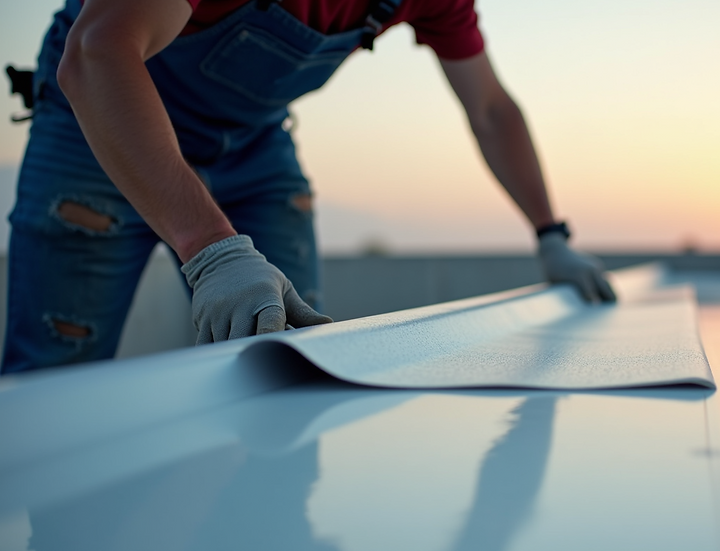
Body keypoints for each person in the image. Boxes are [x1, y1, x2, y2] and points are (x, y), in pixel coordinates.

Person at [1, 0, 616, 375]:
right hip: (97, 128)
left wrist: (551, 237)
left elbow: (490, 111)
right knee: (55, 382)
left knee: (291, 367)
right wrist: (213, 250)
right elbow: (97, 53)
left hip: (252, 145)